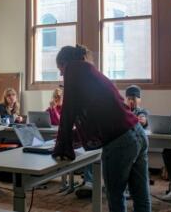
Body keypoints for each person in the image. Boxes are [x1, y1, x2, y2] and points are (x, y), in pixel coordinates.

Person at [53, 45, 151, 212]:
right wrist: (73, 137)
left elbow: (68, 110)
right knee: (141, 195)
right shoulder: (90, 72)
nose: (62, 74)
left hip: (120, 141)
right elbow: (98, 116)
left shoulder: (73, 69)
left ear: (65, 63)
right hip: (137, 133)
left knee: (115, 196)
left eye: (60, 69)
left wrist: (63, 145)